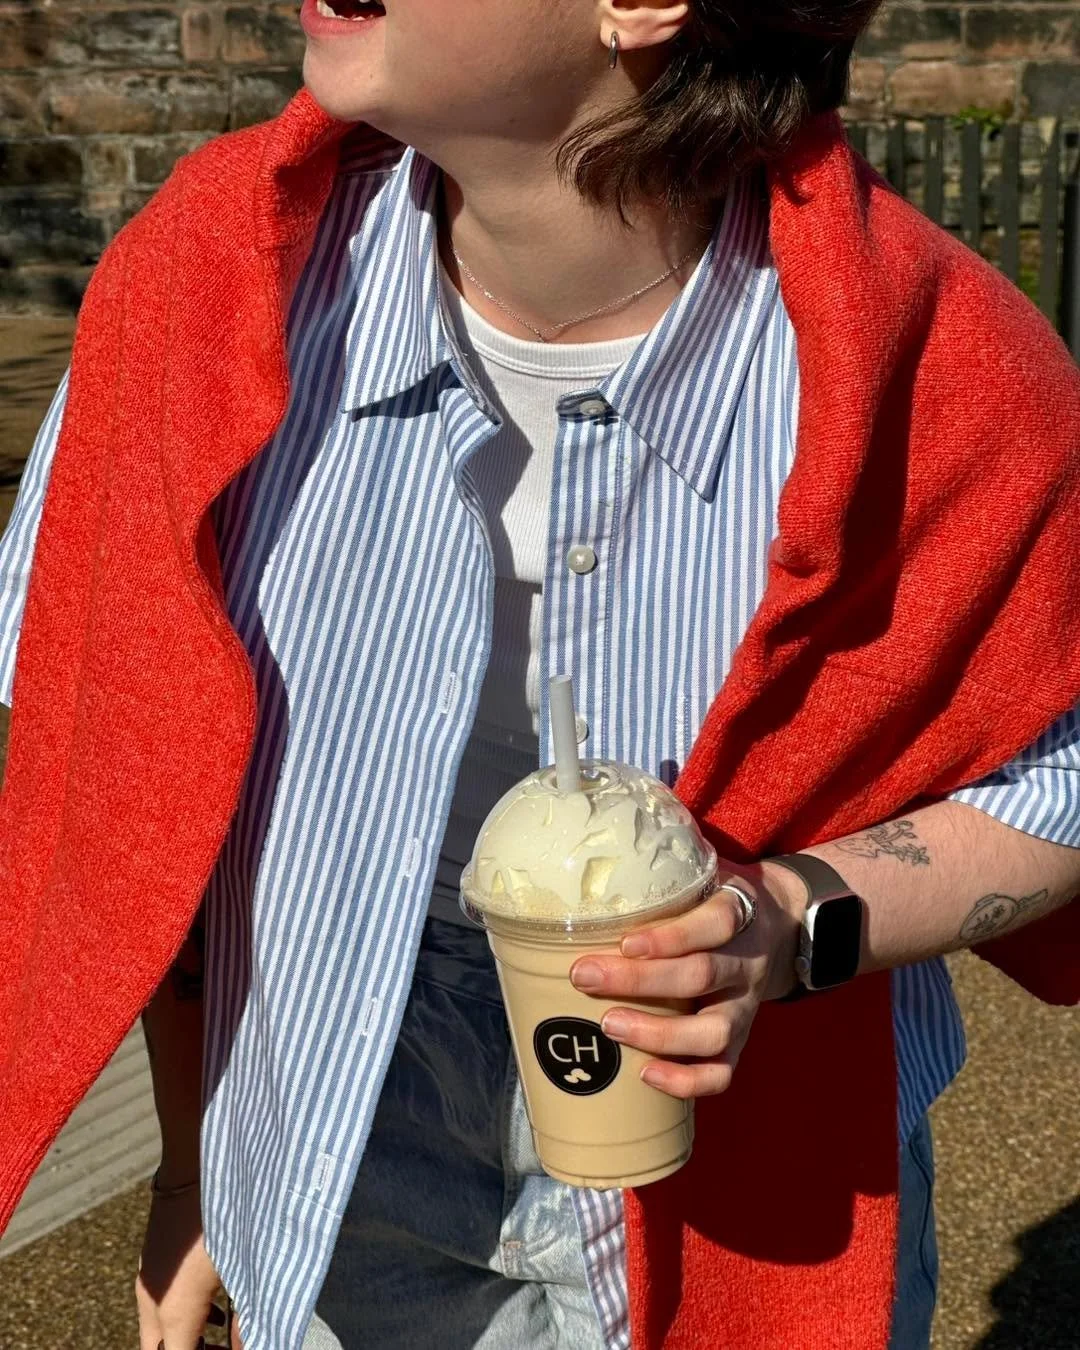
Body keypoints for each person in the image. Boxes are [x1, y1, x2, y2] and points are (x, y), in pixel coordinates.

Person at [0, 1, 1078, 1348]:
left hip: (751, 1115)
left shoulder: (940, 369)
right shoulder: (208, 288)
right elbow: (141, 766)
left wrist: (782, 923)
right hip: (331, 1076)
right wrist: (194, 1159)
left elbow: (1062, 777)